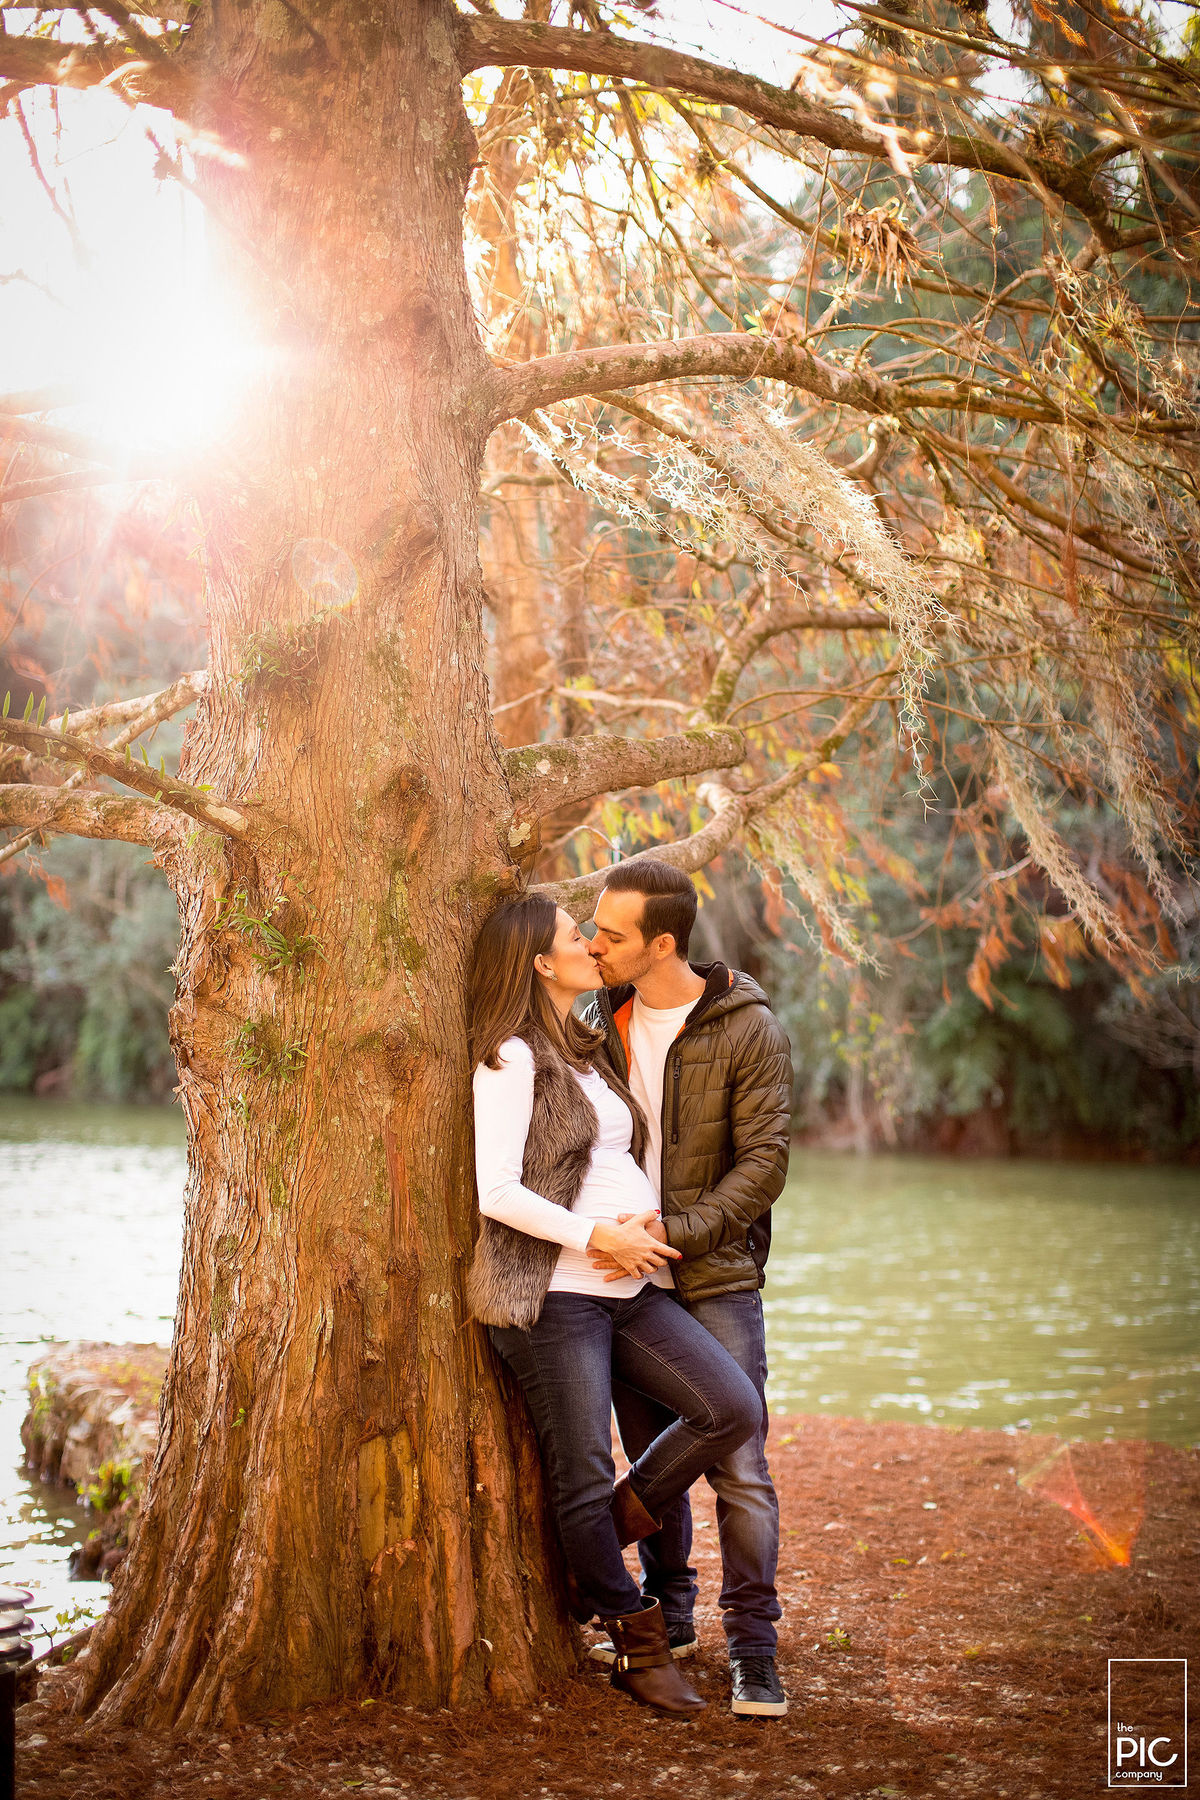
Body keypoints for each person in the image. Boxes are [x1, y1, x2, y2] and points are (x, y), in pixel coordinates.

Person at [466, 892, 762, 1717]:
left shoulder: (586, 1045)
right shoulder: (509, 1057)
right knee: (584, 1469)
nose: (592, 946)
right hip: (557, 1294)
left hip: (630, 1289)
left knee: (731, 1407)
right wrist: (599, 1237)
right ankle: (634, 1641)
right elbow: (497, 1192)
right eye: (576, 936)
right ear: (538, 961)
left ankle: (604, 1532)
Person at [583, 858, 793, 1719]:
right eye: (592, 929)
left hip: (712, 1273)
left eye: (612, 934)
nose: (594, 944)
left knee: (739, 1464)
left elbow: (765, 1164)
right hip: (627, 1279)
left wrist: (682, 1230)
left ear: (662, 943)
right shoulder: (601, 1018)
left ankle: (754, 1649)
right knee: (652, 1456)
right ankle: (669, 1616)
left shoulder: (748, 1027)